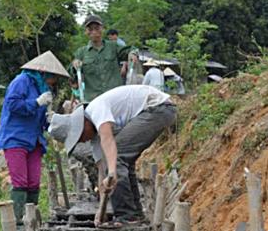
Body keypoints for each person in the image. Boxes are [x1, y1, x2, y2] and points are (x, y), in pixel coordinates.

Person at [48, 85, 176, 229]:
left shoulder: (96, 110)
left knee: (118, 156)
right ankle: (135, 214)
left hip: (158, 108)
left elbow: (109, 143)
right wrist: (100, 209)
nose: (83, 141)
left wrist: (113, 171)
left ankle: (128, 215)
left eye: (80, 137)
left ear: (83, 125)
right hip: (156, 110)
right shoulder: (95, 135)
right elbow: (102, 171)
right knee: (122, 161)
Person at [0, 51, 69, 229]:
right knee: (20, 182)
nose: (54, 83)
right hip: (16, 137)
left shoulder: (43, 89)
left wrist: (50, 117)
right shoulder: (21, 82)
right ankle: (19, 223)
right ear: (45, 73)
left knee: (34, 182)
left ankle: (32, 221)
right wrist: (36, 103)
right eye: (54, 78)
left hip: (34, 139)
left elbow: (40, 119)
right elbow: (12, 105)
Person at [69, 14, 138, 102]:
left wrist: (132, 53)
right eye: (90, 29)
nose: (94, 31)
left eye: (97, 28)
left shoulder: (113, 46)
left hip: (116, 98)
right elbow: (73, 77)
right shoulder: (81, 53)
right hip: (94, 101)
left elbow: (131, 49)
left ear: (102, 29)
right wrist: (74, 65)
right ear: (86, 32)